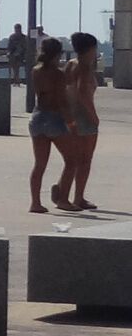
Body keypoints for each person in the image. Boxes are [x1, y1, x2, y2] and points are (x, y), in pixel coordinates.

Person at [30, 36, 72, 213]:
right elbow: (62, 100)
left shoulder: (36, 71)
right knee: (72, 160)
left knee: (39, 164)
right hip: (54, 117)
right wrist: (71, 121)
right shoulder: (58, 74)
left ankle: (35, 203)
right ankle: (63, 199)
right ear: (57, 54)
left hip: (37, 116)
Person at [61, 31, 102, 212]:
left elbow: (64, 87)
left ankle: (63, 191)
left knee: (74, 159)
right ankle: (78, 197)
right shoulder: (84, 67)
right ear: (90, 49)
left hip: (70, 115)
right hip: (84, 117)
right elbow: (83, 93)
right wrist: (94, 116)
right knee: (85, 160)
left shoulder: (71, 64)